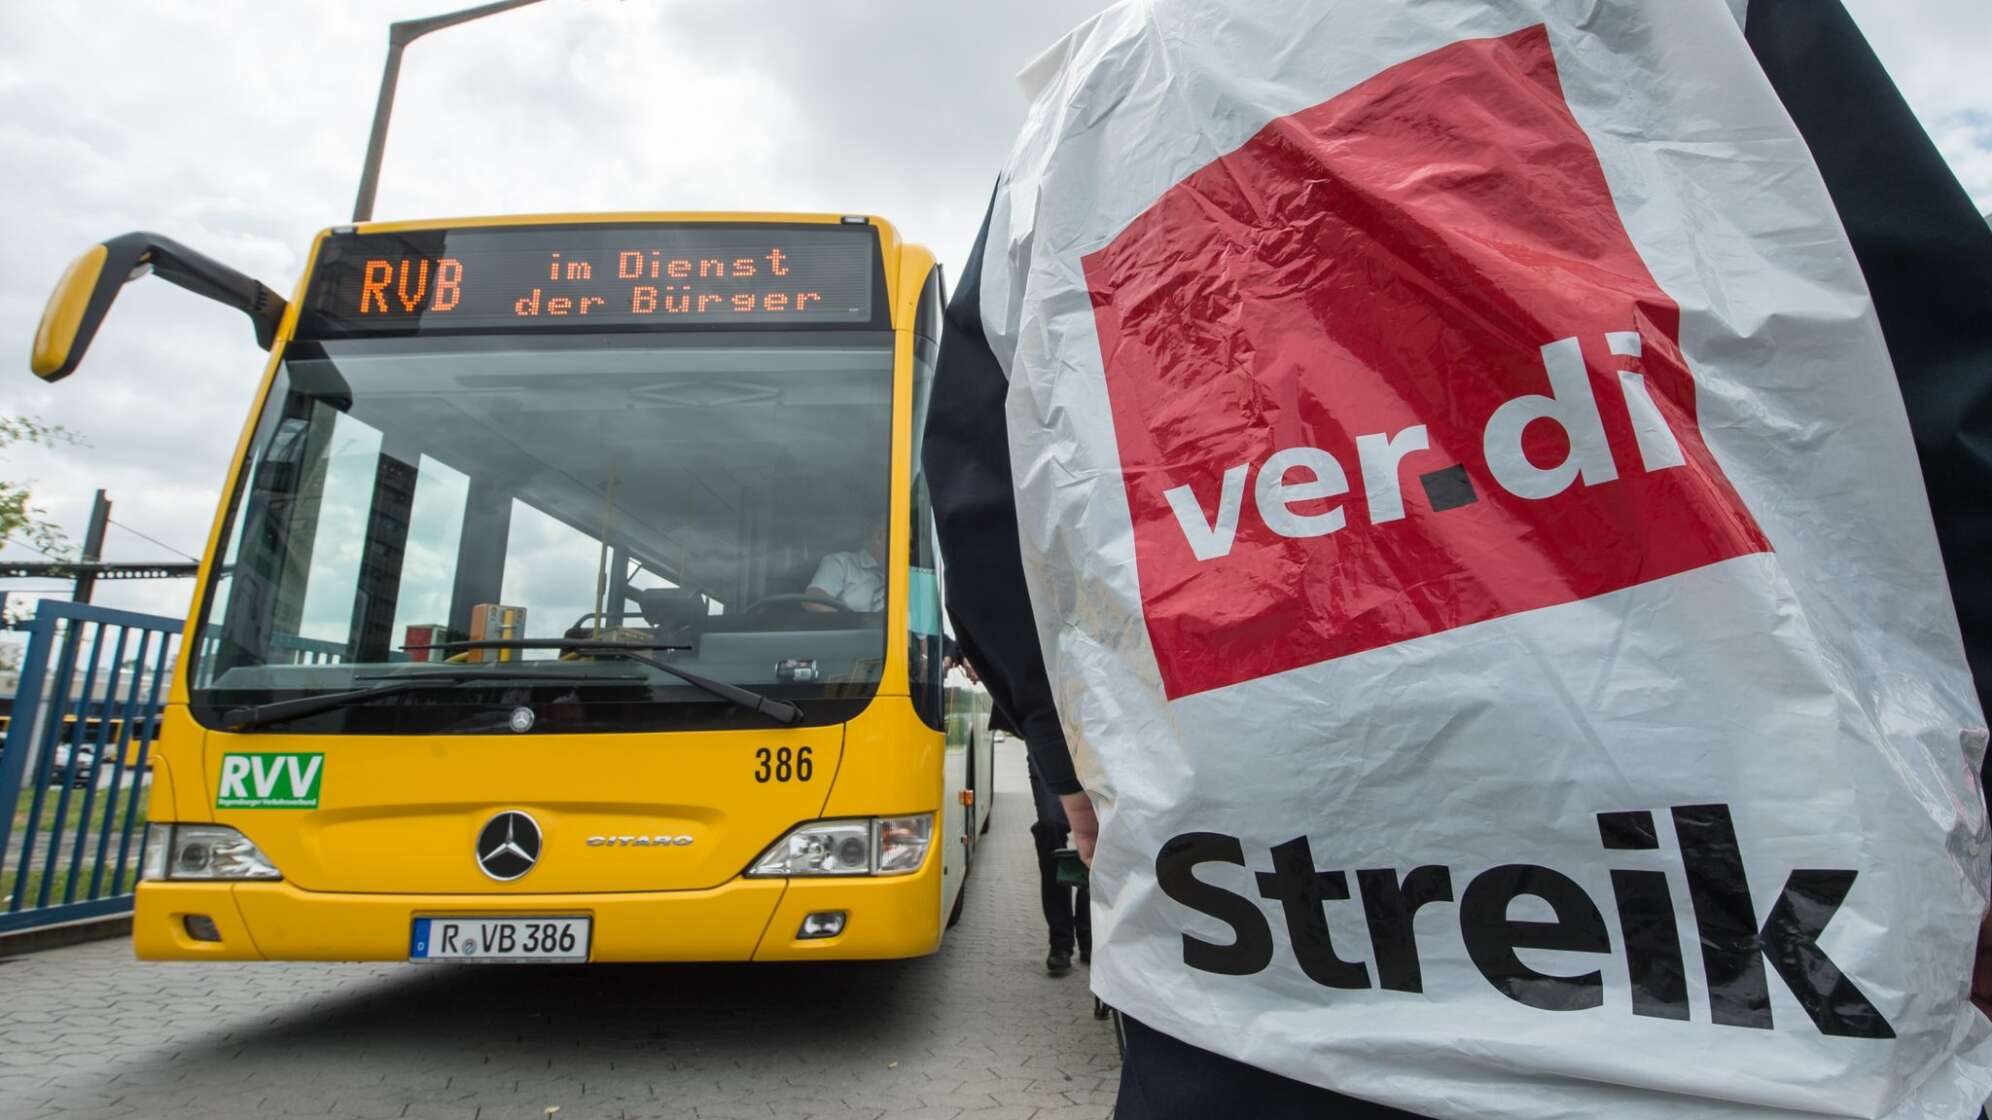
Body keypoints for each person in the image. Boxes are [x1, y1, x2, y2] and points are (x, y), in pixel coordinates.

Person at [925, 3, 1992, 1118]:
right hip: (1782, 1009)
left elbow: (986, 496)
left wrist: (1065, 748)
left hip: (1250, 1010)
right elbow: (1932, 385)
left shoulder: (1072, 124)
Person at [804, 517, 886, 612]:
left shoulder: (905, 573)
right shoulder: (841, 564)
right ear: (879, 536)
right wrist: (850, 621)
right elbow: (813, 601)